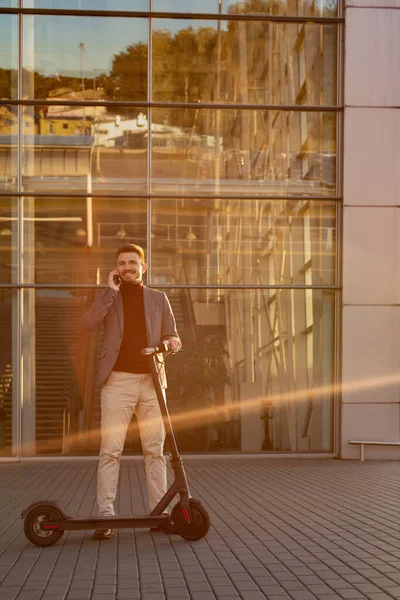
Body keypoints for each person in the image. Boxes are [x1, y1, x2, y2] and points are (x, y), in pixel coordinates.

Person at [82, 243, 181, 540]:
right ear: (116, 268)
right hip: (118, 382)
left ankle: (159, 513)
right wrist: (109, 292)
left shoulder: (159, 298)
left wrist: (172, 343)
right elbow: (88, 324)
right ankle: (106, 516)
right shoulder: (108, 298)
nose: (127, 267)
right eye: (122, 263)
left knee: (155, 451)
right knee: (110, 450)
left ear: (143, 267)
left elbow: (172, 334)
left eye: (132, 263)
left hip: (152, 383)